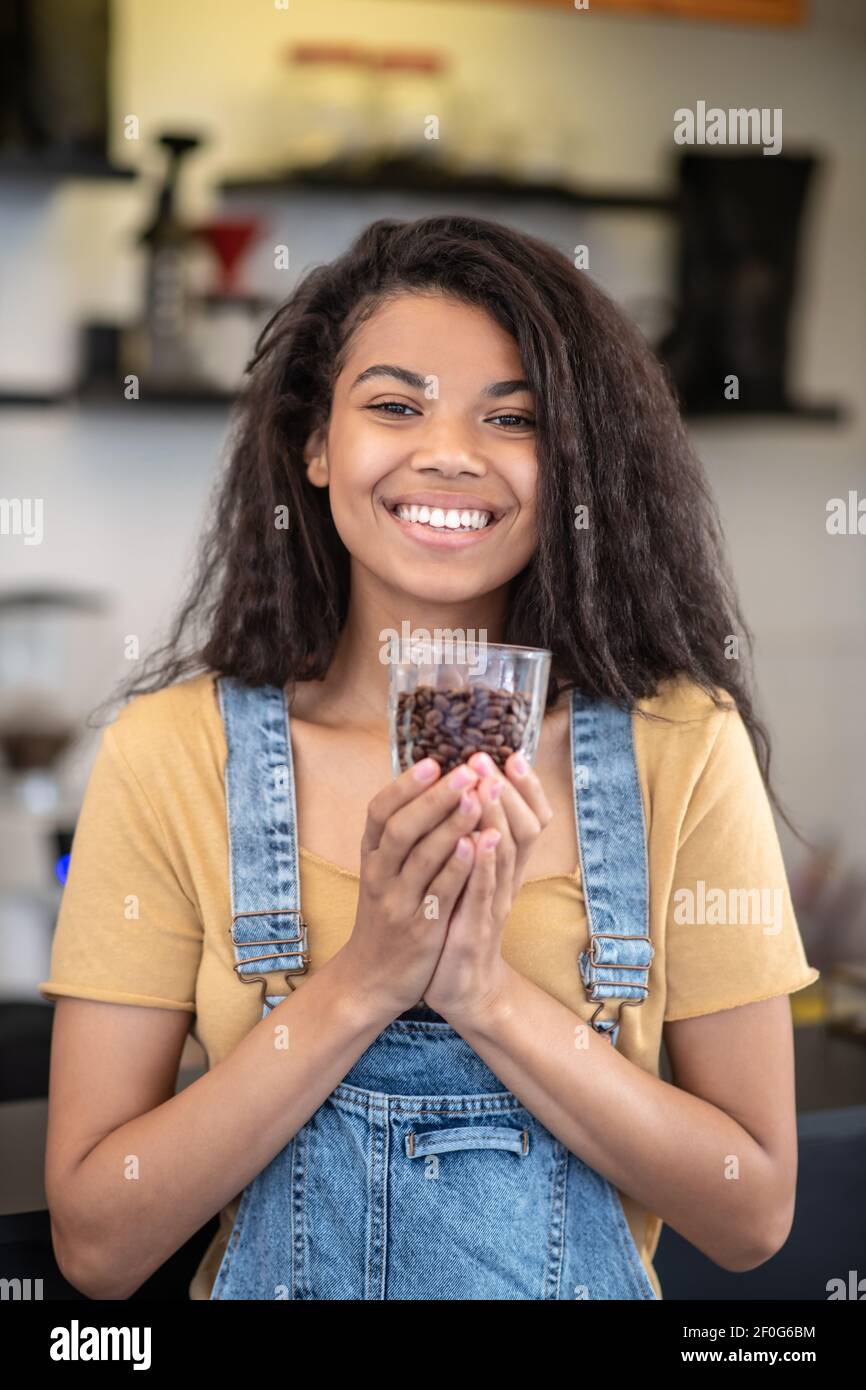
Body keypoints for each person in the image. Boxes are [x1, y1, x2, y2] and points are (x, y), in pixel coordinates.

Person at [40, 213, 819, 1300]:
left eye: (513, 418)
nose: (448, 451)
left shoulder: (680, 749)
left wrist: (486, 994)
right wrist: (360, 980)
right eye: (394, 405)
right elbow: (97, 1243)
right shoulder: (170, 753)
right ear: (315, 445)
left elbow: (750, 1211)